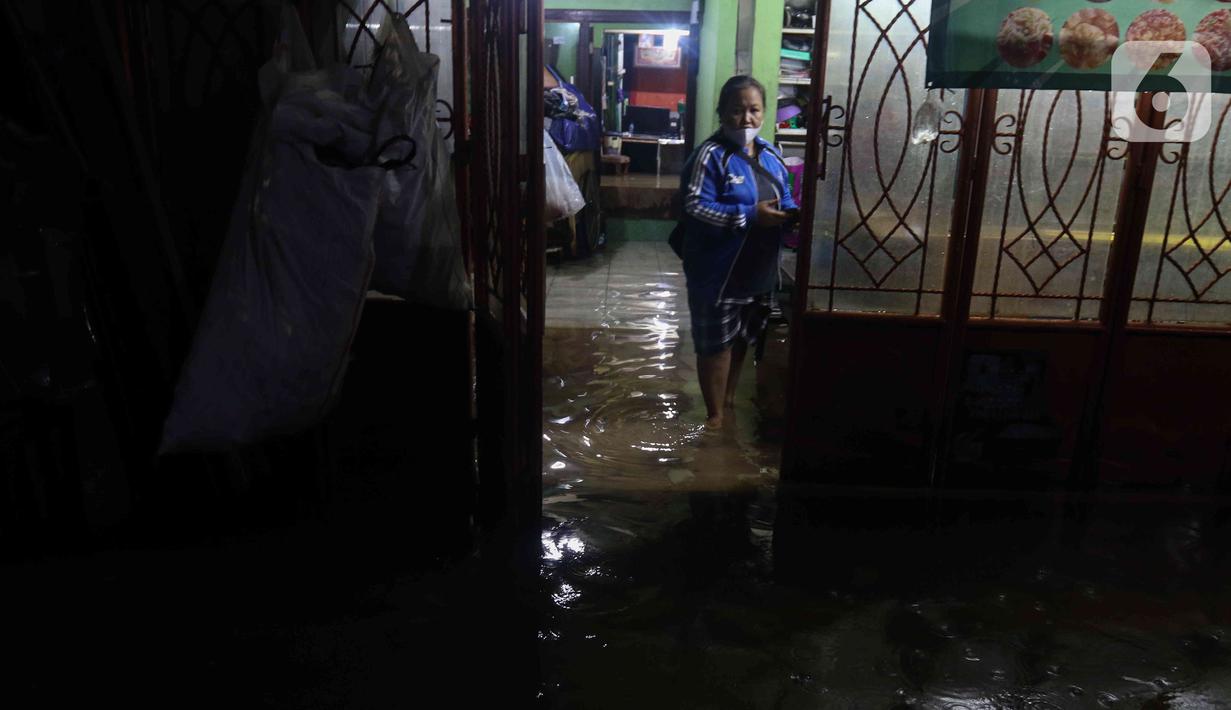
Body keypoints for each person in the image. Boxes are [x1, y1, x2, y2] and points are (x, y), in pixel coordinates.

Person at [679, 75, 799, 431]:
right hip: (718, 272)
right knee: (715, 345)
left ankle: (728, 401)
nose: (745, 119)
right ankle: (715, 418)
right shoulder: (709, 156)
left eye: (753, 110)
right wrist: (748, 215)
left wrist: (792, 214)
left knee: (744, 338)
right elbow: (695, 206)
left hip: (759, 271)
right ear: (721, 112)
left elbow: (785, 196)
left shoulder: (771, 154)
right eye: (736, 110)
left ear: (763, 112)